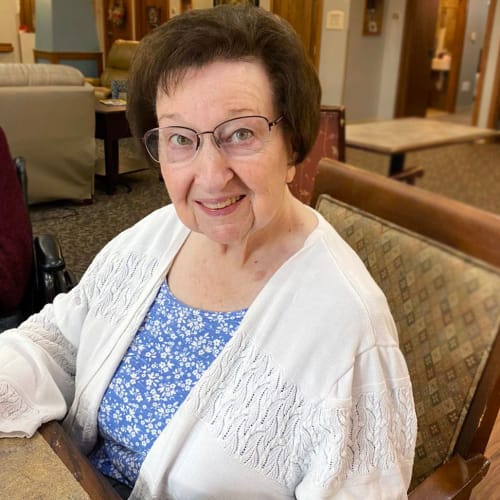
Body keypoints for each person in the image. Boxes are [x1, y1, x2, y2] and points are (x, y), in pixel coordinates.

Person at [0, 5, 417, 499]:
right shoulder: (155, 236)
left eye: (240, 133)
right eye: (180, 138)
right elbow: (56, 343)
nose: (210, 175)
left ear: (293, 144)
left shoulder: (350, 331)